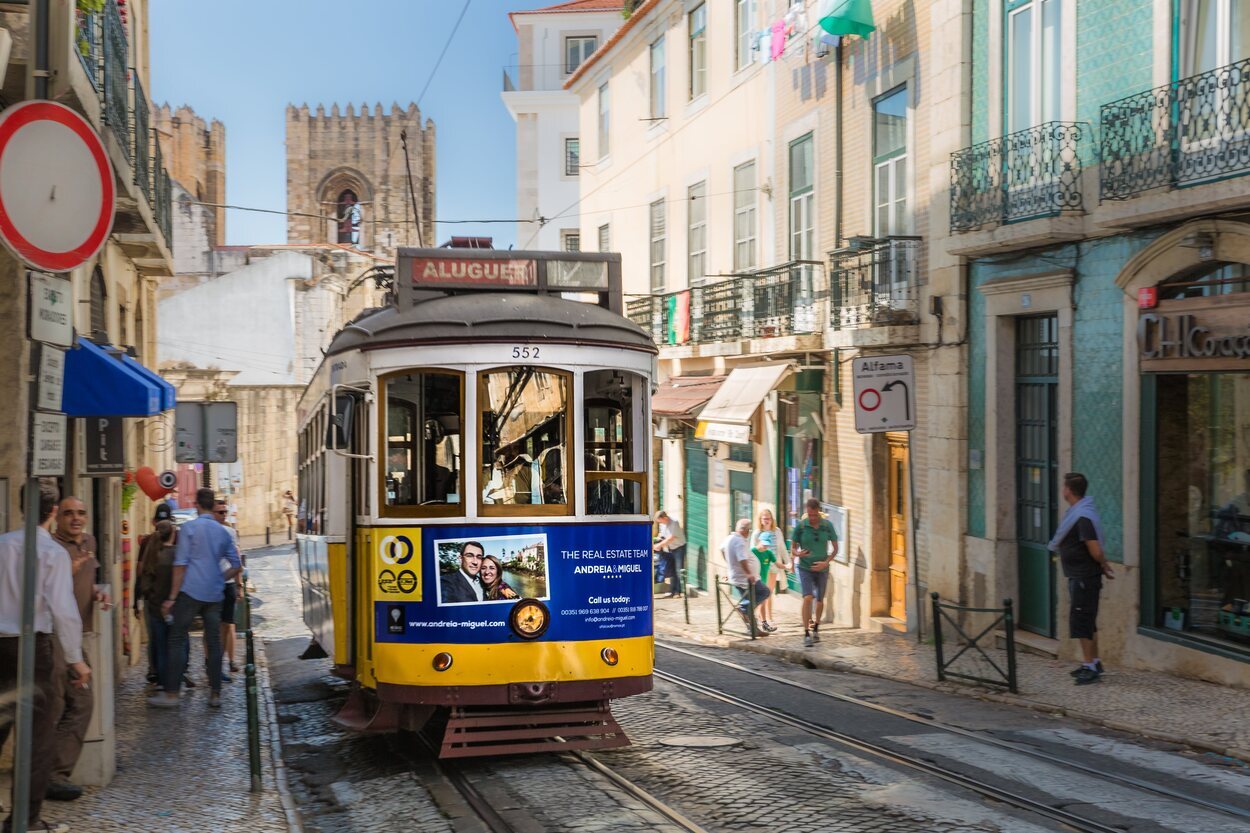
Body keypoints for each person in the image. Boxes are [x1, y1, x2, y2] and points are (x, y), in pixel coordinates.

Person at [0, 480, 89, 833]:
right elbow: (64, 612)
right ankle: (26, 819)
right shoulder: (52, 553)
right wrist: (75, 659)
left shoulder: (2, 545)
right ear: (53, 512)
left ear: (23, 506)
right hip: (32, 648)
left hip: (0, 646)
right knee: (37, 736)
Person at [147, 488, 241, 709]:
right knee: (214, 641)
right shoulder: (223, 532)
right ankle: (215, 693)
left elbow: (180, 566)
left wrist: (171, 598)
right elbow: (236, 565)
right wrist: (220, 576)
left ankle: (171, 693)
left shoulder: (189, 529)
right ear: (211, 505)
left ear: (198, 504)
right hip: (214, 593)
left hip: (190, 592)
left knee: (177, 638)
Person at [46, 497, 110, 802]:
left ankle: (52, 773)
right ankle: (49, 776)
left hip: (76, 634)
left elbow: (88, 580)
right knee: (62, 705)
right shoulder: (50, 548)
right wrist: (65, 572)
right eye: (69, 513)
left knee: (79, 704)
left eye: (81, 513)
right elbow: (46, 590)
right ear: (57, 517)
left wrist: (96, 593)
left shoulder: (89, 542)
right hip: (53, 635)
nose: (76, 518)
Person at [1048, 472, 1114, 686]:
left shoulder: (1082, 517)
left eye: (1064, 487)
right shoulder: (1078, 513)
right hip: (1081, 575)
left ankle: (1089, 667)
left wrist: (1103, 563)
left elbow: (1094, 549)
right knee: (1088, 621)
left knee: (1082, 621)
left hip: (1084, 576)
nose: (1063, 490)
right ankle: (1093, 662)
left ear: (1068, 490)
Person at [136, 521, 177, 700]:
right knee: (174, 646)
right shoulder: (176, 555)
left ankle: (161, 683)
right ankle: (173, 682)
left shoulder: (152, 555)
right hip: (174, 608)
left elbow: (144, 583)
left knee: (160, 646)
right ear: (172, 535)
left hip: (155, 608)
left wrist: (152, 598)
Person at [791, 497, 837, 647]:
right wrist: (797, 554)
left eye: (815, 515)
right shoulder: (801, 527)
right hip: (805, 568)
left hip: (822, 568)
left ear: (819, 512)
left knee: (819, 600)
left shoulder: (827, 526)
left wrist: (826, 562)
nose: (812, 518)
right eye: (810, 515)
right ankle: (806, 633)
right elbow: (792, 547)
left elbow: (836, 549)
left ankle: (816, 626)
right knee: (808, 597)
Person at [721, 518, 770, 635]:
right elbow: (742, 559)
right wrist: (748, 574)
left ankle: (753, 629)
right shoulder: (740, 542)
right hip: (745, 579)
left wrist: (730, 565)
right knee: (764, 592)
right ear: (746, 531)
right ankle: (744, 609)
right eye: (749, 530)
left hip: (738, 577)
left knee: (751, 600)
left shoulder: (729, 538)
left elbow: (721, 549)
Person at [213, 500, 243, 682]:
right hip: (211, 585)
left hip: (228, 583)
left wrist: (239, 585)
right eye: (220, 512)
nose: (224, 515)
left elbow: (236, 559)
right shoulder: (207, 532)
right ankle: (212, 663)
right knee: (213, 628)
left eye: (225, 512)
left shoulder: (231, 532)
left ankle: (222, 662)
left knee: (226, 626)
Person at [751, 509, 790, 633]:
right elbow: (751, 550)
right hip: (761, 567)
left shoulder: (777, 532)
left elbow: (783, 548)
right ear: (760, 520)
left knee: (768, 593)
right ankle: (761, 618)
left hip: (773, 566)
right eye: (764, 518)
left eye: (769, 518)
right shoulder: (757, 533)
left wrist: (788, 563)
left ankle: (768, 618)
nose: (767, 521)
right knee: (764, 593)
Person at [653, 511, 687, 599]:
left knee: (678, 570)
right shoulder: (663, 524)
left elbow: (671, 538)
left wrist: (659, 545)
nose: (660, 523)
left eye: (660, 521)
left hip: (679, 548)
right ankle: (672, 591)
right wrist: (657, 540)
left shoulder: (674, 523)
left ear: (664, 518)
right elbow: (662, 535)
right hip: (670, 549)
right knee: (672, 571)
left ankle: (678, 591)